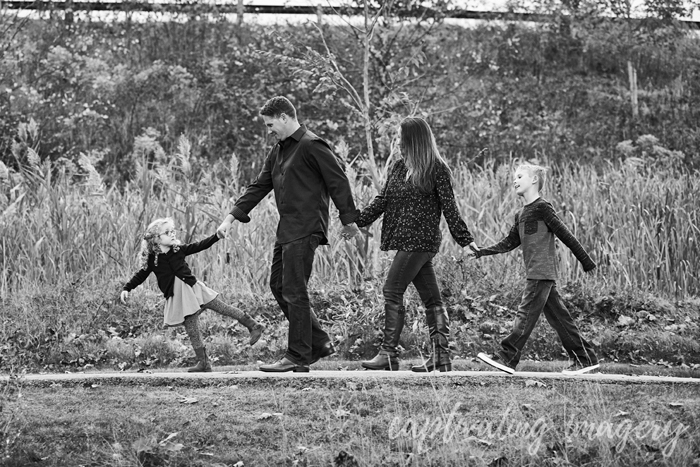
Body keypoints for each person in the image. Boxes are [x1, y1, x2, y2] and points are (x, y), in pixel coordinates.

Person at [217, 96, 360, 373]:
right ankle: (317, 342)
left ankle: (297, 356)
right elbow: (259, 185)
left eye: (271, 124)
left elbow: (337, 180)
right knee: (279, 286)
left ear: (285, 117)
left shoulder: (311, 145)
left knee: (294, 289)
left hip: (306, 227)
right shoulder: (279, 150)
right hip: (287, 229)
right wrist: (231, 217)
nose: (269, 130)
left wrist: (348, 219)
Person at [356, 116, 478, 373]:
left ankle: (389, 353)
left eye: (400, 136)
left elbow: (450, 210)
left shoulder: (437, 169)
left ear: (413, 138)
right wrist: (357, 220)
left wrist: (466, 241)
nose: (397, 141)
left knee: (391, 289)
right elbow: (383, 200)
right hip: (405, 240)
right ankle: (441, 357)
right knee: (432, 299)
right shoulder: (400, 167)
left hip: (420, 242)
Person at [470, 163, 600, 375]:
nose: (515, 180)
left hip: (541, 272)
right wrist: (481, 251)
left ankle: (507, 356)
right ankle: (585, 358)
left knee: (526, 312)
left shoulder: (542, 208)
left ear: (534, 180)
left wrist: (586, 261)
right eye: (514, 177)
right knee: (560, 318)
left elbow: (565, 234)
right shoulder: (520, 214)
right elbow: (508, 242)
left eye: (520, 176)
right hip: (539, 274)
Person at [121, 217, 264, 373]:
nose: (172, 234)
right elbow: (140, 275)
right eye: (168, 232)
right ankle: (203, 363)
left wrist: (216, 236)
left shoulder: (179, 250)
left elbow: (200, 246)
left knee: (222, 308)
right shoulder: (153, 260)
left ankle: (253, 325)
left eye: (173, 231)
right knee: (191, 327)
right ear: (156, 239)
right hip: (179, 297)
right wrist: (127, 288)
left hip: (194, 290)